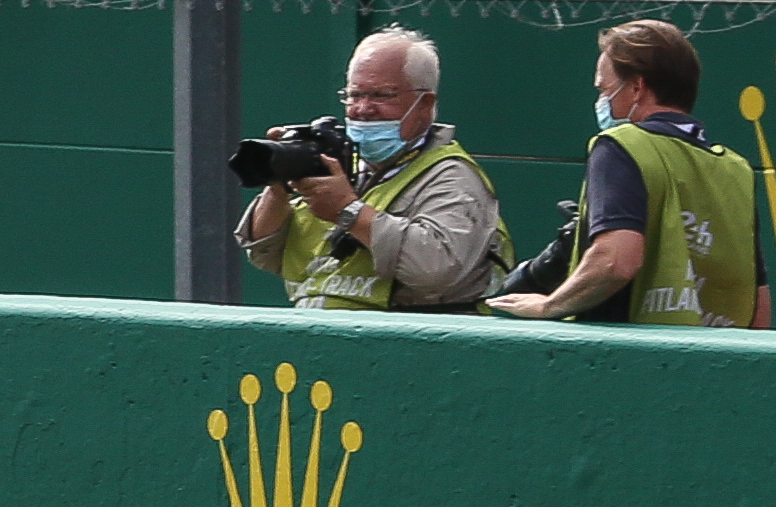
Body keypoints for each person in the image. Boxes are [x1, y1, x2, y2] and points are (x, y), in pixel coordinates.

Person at [489, 18, 768, 328]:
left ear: (636, 87)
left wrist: (549, 305)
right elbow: (758, 301)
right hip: (718, 363)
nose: (601, 100)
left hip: (632, 360)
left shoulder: (620, 146)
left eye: (604, 88)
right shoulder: (736, 169)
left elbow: (616, 260)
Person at [238, 27, 508, 311]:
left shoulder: (451, 176)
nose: (363, 108)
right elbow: (265, 253)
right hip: (318, 338)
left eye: (381, 95)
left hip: (406, 344)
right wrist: (278, 183)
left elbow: (436, 270)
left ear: (424, 104)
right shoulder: (341, 166)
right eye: (355, 95)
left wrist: (349, 211)